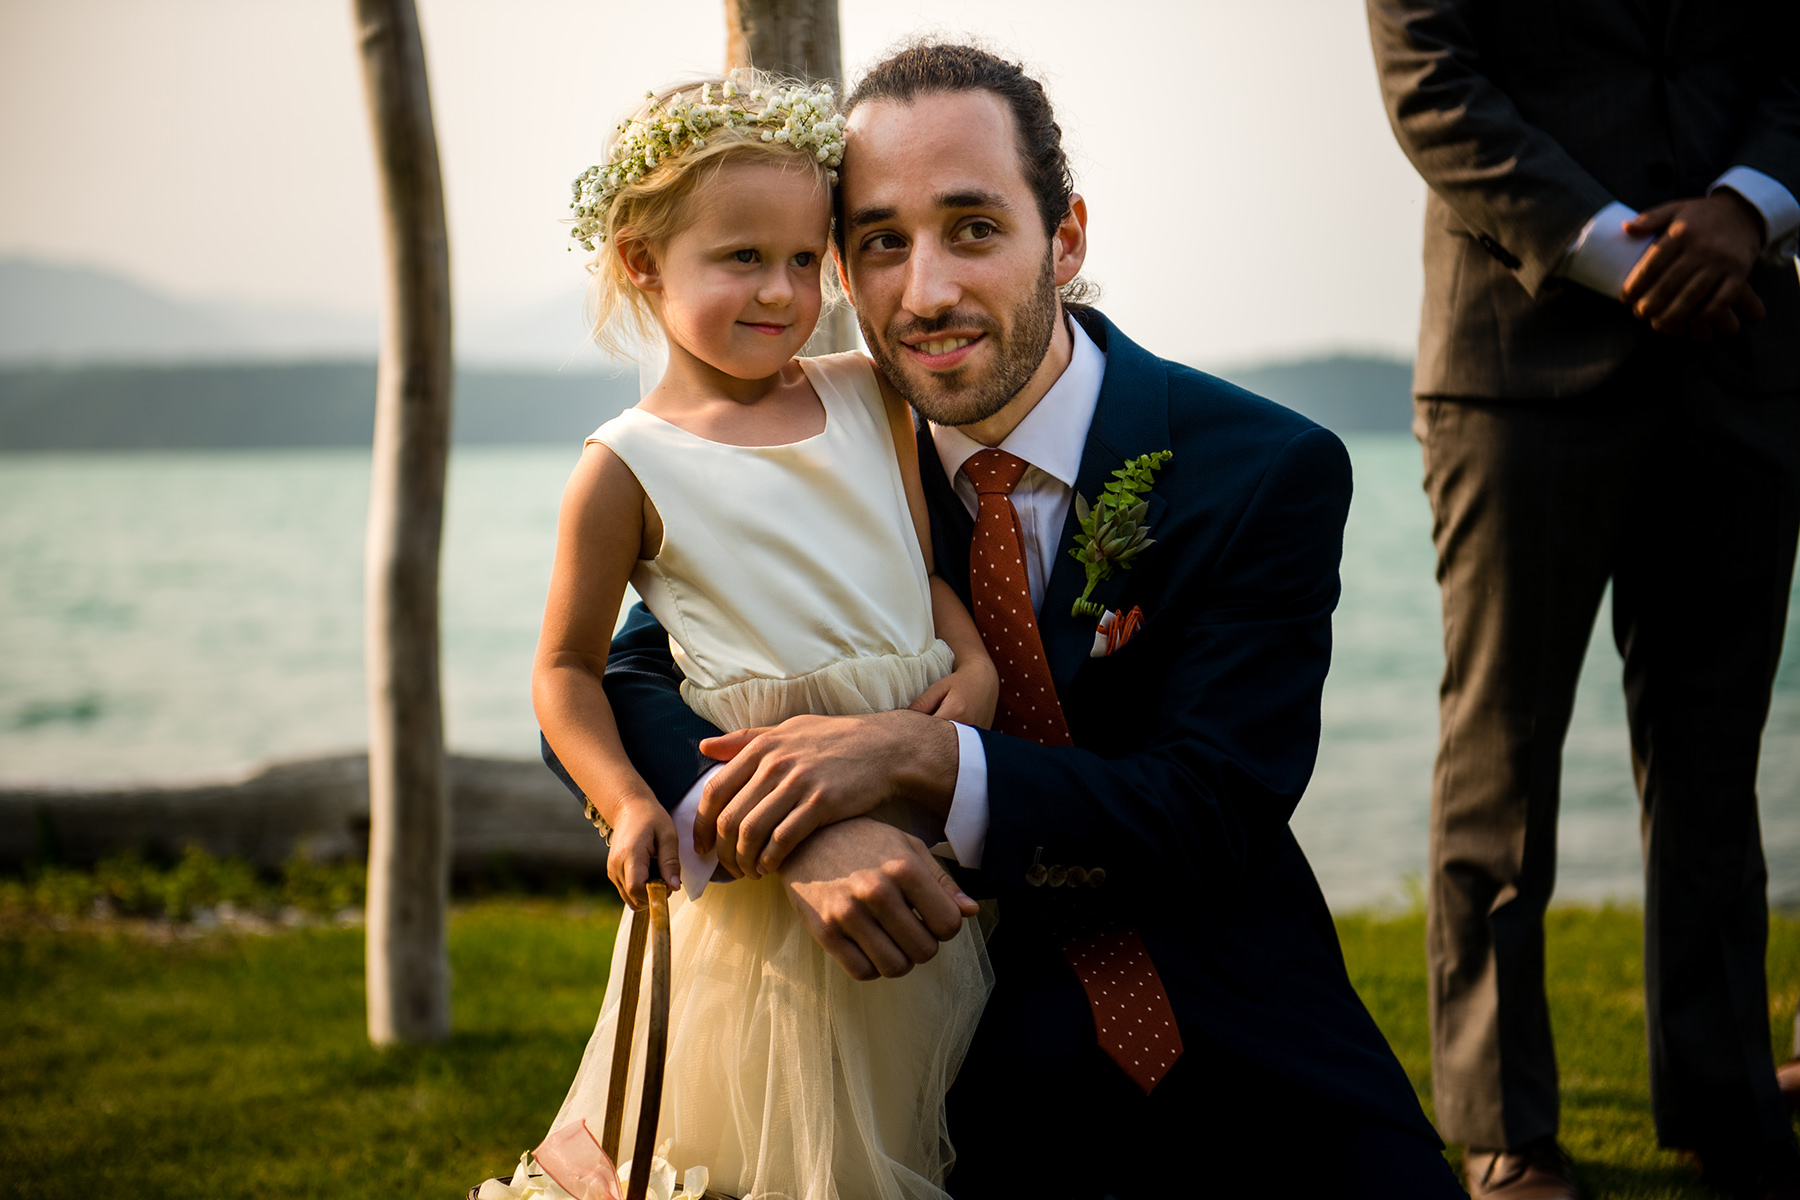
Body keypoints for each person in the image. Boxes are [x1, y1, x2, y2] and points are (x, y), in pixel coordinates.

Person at [564, 42, 1466, 1198]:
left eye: (973, 228)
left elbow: (1213, 807)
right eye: (881, 241)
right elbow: (629, 676)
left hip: (1232, 1003)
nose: (925, 291)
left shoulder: (1261, 470)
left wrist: (930, 758)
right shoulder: (823, 450)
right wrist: (798, 829)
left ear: (1067, 239)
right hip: (940, 1037)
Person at [525, 74, 998, 1200]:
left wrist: (971, 661)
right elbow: (564, 670)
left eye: (803, 260)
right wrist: (632, 801)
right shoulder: (625, 466)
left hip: (924, 837)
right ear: (643, 261)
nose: (782, 293)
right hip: (763, 895)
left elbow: (915, 566)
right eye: (742, 259)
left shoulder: (870, 398)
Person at [1365, 2, 1800, 1197]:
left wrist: (1749, 207)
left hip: (1746, 351)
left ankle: (1728, 1098)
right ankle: (1502, 1122)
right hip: (1518, 358)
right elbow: (1429, 74)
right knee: (1501, 757)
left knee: (1717, 767)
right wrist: (1628, 250)